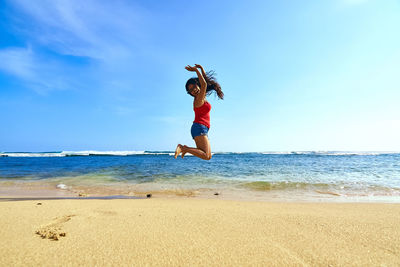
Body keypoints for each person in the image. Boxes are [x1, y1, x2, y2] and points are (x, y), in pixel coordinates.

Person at [174, 64, 224, 160]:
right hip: (199, 127)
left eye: (194, 87)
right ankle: (183, 148)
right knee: (206, 156)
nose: (194, 90)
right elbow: (204, 84)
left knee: (208, 156)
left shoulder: (201, 95)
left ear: (198, 84)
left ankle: (185, 149)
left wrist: (201, 69)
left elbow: (205, 82)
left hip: (201, 128)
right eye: (191, 90)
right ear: (190, 93)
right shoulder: (198, 99)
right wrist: (196, 70)